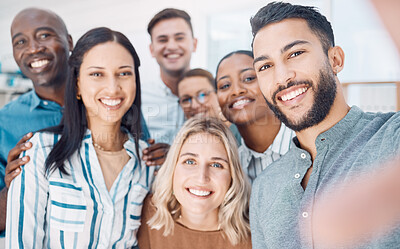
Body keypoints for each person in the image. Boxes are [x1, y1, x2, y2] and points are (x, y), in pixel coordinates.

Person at [249, 2, 400, 248]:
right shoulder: (265, 187)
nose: (282, 76)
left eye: (295, 53)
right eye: (265, 66)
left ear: (336, 60)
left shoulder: (392, 137)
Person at [0, 8, 153, 234]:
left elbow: (144, 174)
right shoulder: (6, 121)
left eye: (44, 35)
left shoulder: (115, 104)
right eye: (20, 42)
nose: (33, 48)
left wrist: (162, 162)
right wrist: (17, 188)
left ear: (69, 42)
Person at [137, 117, 251, 249]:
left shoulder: (254, 236)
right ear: (173, 169)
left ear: (232, 176)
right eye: (190, 161)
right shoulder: (146, 214)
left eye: (216, 165)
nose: (201, 178)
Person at [215, 50, 295, 183]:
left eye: (248, 78)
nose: (236, 91)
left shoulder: (307, 144)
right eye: (225, 86)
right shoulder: (232, 167)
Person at [142, 8, 197, 145]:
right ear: (152, 49)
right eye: (162, 40)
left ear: (194, 44)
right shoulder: (138, 98)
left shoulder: (215, 93)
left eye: (179, 38)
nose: (171, 46)